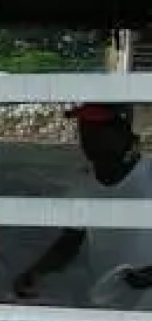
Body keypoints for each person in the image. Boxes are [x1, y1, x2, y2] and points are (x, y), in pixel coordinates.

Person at [14, 103, 152, 305]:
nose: (88, 137)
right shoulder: (83, 184)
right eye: (84, 129)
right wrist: (36, 273)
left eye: (98, 129)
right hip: (108, 296)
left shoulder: (148, 175)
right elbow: (69, 244)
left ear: (124, 132)